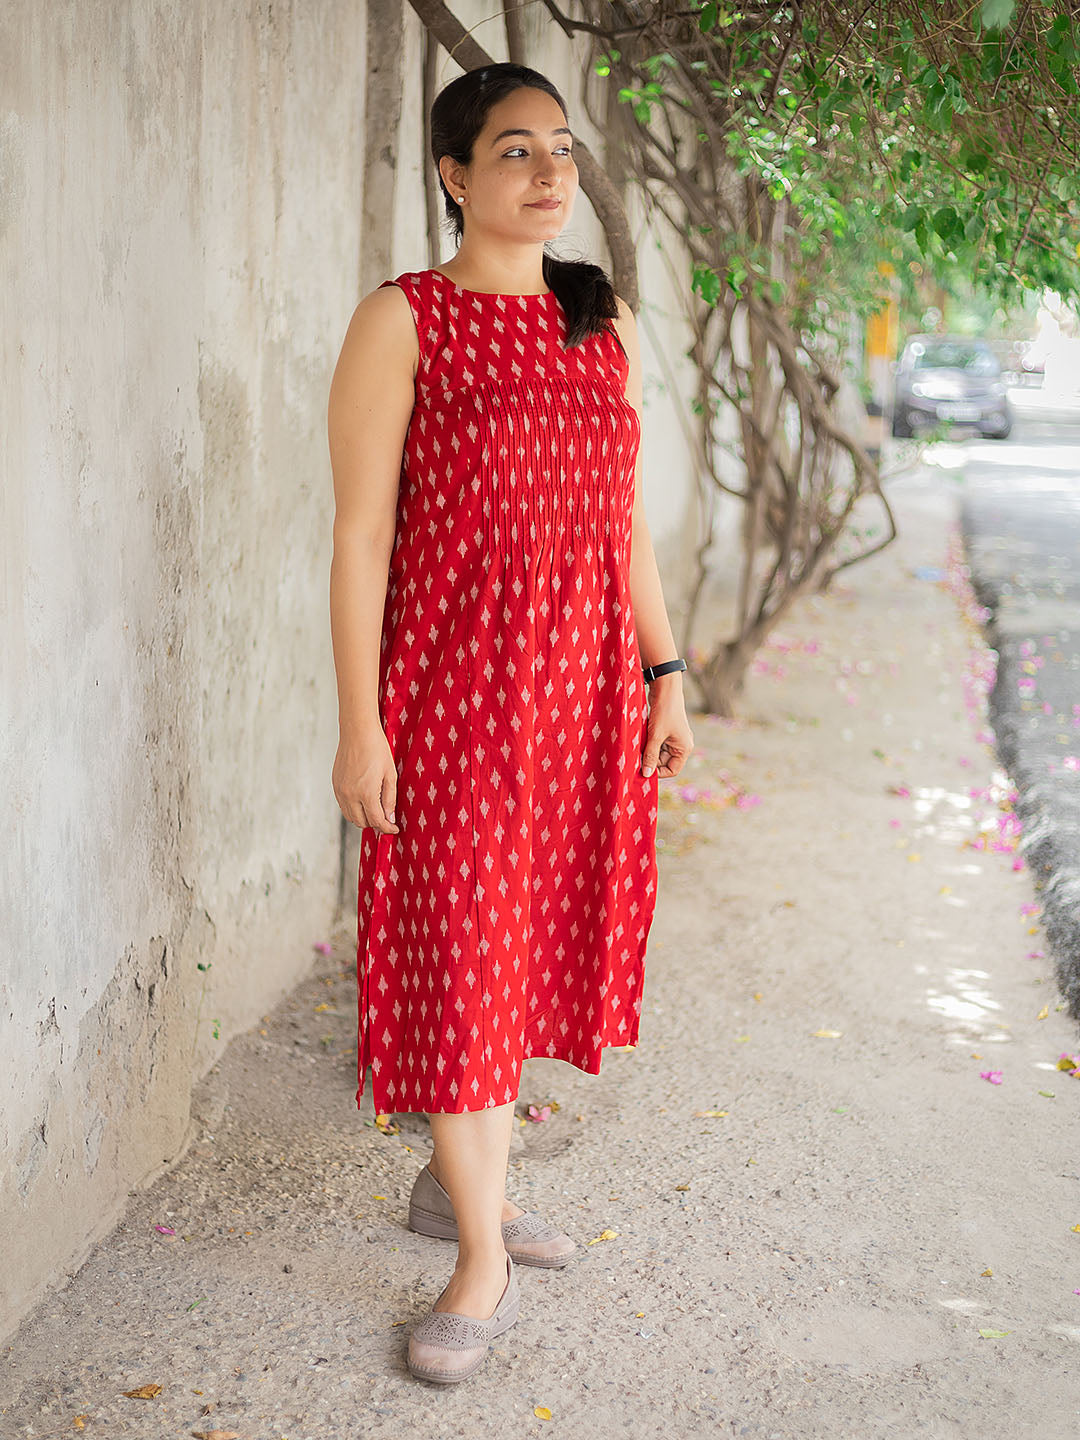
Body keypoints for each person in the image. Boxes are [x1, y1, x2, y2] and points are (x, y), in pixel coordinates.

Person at [327, 61, 694, 1384]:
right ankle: (478, 1257)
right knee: (467, 955)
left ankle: (456, 1186)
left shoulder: (603, 324)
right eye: (514, 152)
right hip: (454, 696)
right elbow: (362, 536)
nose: (549, 175)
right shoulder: (404, 319)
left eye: (561, 151)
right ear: (454, 175)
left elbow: (620, 524)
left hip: (584, 693)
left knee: (526, 950)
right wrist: (360, 723)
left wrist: (666, 672)